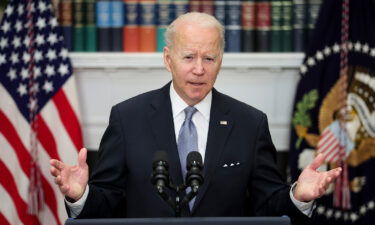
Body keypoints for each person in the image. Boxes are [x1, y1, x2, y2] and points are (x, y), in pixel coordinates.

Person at [50, 12, 341, 224]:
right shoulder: (128, 118)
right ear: (168, 59)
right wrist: (80, 196)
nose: (199, 69)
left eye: (209, 58)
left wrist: (298, 196)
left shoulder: (250, 123)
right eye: (189, 57)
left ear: (220, 61)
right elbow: (107, 204)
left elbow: (268, 204)